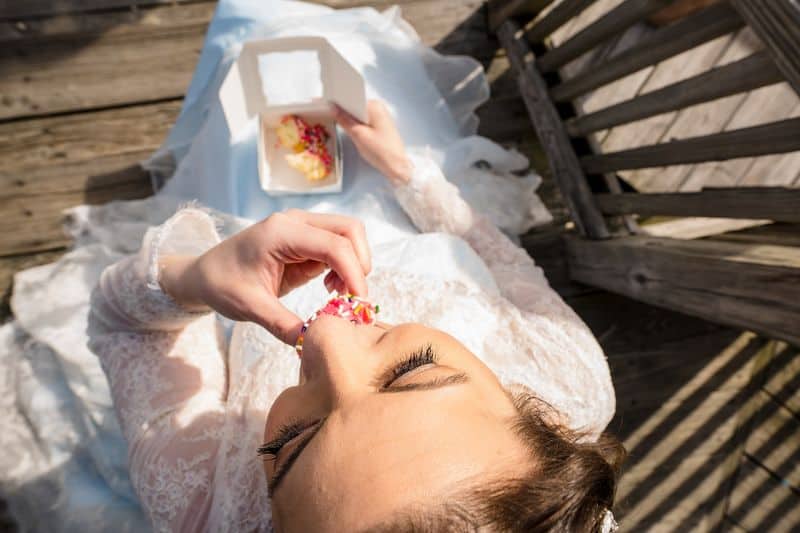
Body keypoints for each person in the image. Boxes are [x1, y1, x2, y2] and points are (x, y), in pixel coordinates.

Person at [87, 100, 624, 532]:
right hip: (392, 199)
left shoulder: (209, 509)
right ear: (532, 413)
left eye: (292, 443)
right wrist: (407, 173)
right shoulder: (573, 378)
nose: (325, 333)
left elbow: (123, 326)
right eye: (411, 370)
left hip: (252, 225)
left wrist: (195, 278)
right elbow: (504, 262)